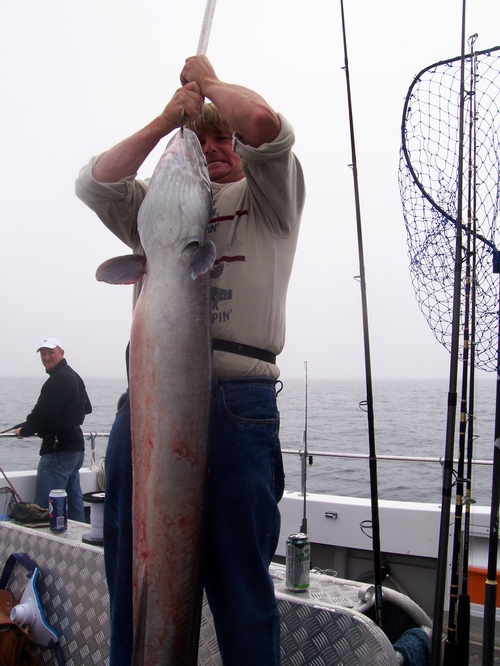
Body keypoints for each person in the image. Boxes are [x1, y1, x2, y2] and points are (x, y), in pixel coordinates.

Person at [75, 55, 305, 665]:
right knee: (134, 572)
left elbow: (261, 120)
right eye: (202, 140)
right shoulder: (157, 208)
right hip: (149, 399)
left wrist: (207, 84)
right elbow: (93, 183)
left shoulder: (269, 199)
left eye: (223, 138)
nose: (216, 149)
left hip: (239, 403)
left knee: (241, 592)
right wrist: (161, 123)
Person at [14, 338, 92, 522]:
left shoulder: (57, 380)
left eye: (51, 352)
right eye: (43, 354)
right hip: (75, 449)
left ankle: (46, 544)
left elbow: (41, 415)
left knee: (45, 507)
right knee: (73, 502)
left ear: (61, 353)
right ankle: (78, 544)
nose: (47, 357)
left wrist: (24, 430)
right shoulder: (73, 376)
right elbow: (87, 408)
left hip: (58, 451)